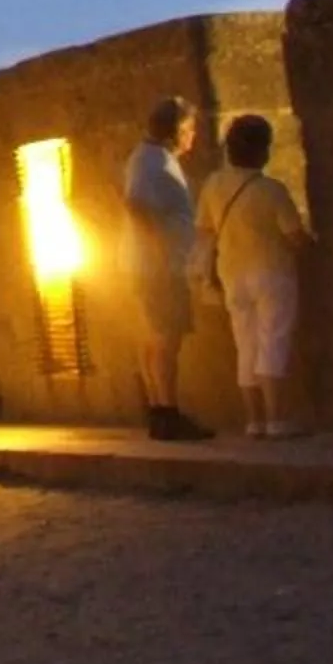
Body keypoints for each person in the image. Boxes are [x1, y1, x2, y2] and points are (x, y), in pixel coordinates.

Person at [193, 112, 312, 438]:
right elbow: (294, 236)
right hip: (272, 272)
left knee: (245, 345)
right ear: (263, 150)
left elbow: (203, 229)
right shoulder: (272, 190)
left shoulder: (213, 185)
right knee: (273, 340)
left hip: (232, 274)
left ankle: (254, 421)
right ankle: (277, 420)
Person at [120, 97, 212, 440]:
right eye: (189, 129)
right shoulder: (153, 161)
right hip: (158, 268)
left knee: (155, 337)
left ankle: (160, 410)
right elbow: (136, 205)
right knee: (165, 338)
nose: (193, 136)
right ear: (176, 131)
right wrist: (160, 249)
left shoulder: (149, 158)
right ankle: (167, 411)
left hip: (153, 265)